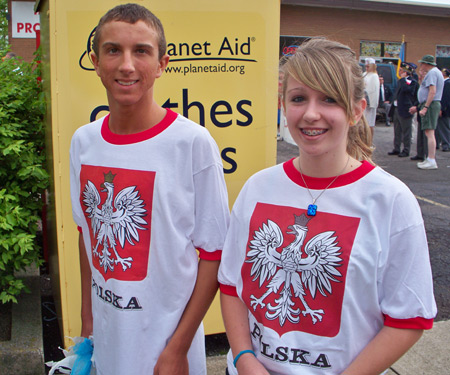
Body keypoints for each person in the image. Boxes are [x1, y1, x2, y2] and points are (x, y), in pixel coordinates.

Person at [218, 38, 436, 375]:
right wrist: (244, 359)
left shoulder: (391, 201)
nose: (310, 114)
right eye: (299, 98)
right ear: (283, 105)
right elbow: (232, 285)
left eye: (329, 99)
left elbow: (409, 318)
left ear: (357, 110)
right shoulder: (257, 188)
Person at [69, 4, 230, 375]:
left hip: (167, 348)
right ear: (95, 61)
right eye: (113, 50)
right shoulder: (84, 141)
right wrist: (87, 317)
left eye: (141, 51)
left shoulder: (192, 144)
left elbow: (213, 254)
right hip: (108, 339)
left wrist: (179, 347)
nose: (127, 64)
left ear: (162, 63)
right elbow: (87, 235)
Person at [409, 54, 444, 169]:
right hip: (432, 104)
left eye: (422, 63)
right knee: (429, 132)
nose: (421, 66)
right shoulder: (435, 72)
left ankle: (431, 159)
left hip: (431, 104)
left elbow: (432, 91)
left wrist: (425, 107)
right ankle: (429, 158)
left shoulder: (432, 73)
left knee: (429, 133)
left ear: (427, 64)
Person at [387, 62, 418, 157]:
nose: (399, 72)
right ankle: (396, 148)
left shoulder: (411, 81)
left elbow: (407, 90)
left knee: (406, 131)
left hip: (405, 109)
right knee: (397, 130)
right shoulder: (401, 81)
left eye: (401, 70)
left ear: (406, 72)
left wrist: (403, 79)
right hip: (397, 107)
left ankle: (406, 149)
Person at [363, 57, 380, 136]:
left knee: (369, 124)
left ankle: (369, 141)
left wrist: (372, 103)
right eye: (365, 66)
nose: (366, 68)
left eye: (368, 66)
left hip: (370, 102)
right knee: (363, 124)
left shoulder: (374, 76)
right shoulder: (364, 74)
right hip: (363, 100)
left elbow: (374, 91)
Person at [435, 68, 450, 152]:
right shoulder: (444, 83)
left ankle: (446, 144)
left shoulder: (447, 84)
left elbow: (445, 98)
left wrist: (442, 109)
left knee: (444, 127)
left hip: (445, 109)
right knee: (438, 127)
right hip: (443, 108)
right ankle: (437, 143)